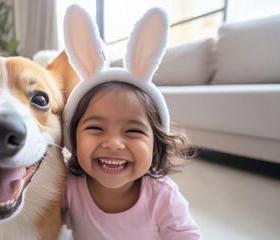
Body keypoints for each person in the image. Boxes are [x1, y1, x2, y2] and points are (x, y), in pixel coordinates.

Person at [61, 5, 202, 240]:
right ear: (72, 137)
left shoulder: (163, 196)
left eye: (133, 130)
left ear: (156, 145)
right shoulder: (70, 185)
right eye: (96, 128)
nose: (114, 143)